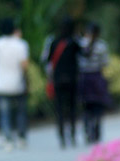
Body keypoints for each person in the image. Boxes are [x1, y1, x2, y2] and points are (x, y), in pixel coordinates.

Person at [0, 18, 29, 150]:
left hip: (1, 84)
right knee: (20, 112)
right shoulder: (21, 44)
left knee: (4, 114)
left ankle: (7, 138)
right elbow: (24, 65)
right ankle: (21, 138)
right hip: (17, 83)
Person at [47, 17, 80, 148]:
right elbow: (84, 54)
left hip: (58, 79)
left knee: (59, 109)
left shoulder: (54, 42)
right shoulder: (74, 43)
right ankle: (72, 134)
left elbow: (49, 60)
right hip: (72, 79)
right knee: (72, 108)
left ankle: (61, 136)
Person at [78, 22, 110, 144]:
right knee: (97, 107)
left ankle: (87, 129)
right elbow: (105, 63)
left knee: (86, 108)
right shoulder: (101, 46)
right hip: (97, 77)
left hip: (84, 78)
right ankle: (96, 131)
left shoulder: (81, 44)